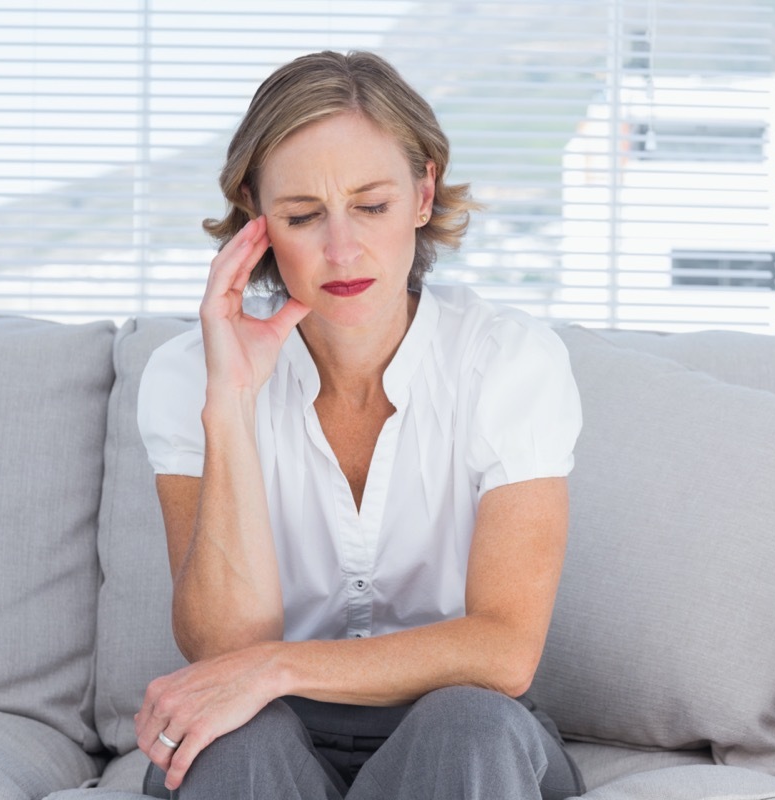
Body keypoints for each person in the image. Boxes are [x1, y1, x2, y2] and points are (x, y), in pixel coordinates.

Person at [133, 50, 585, 800]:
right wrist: (232, 402)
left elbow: (505, 652)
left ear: (423, 193)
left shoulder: (508, 360)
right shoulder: (188, 377)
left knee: (467, 728)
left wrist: (277, 666)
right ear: (255, 216)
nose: (342, 250)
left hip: (463, 726)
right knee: (232, 746)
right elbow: (223, 650)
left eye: (371, 206)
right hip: (266, 723)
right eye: (302, 215)